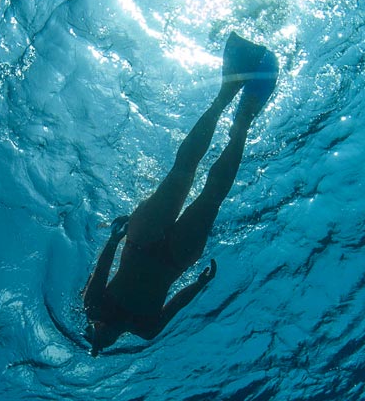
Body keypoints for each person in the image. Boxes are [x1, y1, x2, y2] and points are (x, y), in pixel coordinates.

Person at [83, 32, 279, 356]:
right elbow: (176, 304)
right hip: (167, 254)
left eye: (94, 342)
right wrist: (198, 286)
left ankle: (228, 101)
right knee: (203, 189)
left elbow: (104, 269)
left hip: (147, 243)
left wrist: (117, 237)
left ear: (93, 335)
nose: (99, 343)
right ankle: (238, 119)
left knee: (186, 173)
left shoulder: (96, 308)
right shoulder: (141, 328)